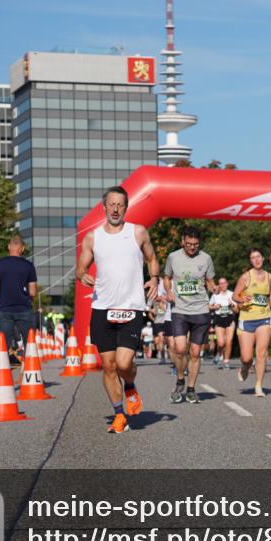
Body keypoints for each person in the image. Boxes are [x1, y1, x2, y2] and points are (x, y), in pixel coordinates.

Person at [76, 186, 159, 434]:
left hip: (131, 307)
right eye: (111, 204)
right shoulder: (93, 237)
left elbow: (152, 258)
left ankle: (130, 384)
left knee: (124, 364)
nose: (115, 209)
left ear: (125, 207)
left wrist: (154, 278)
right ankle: (119, 414)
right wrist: (82, 276)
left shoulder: (138, 232)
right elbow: (81, 267)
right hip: (102, 308)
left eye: (120, 205)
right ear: (104, 207)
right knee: (109, 366)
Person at [163, 225, 216, 403]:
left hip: (200, 310)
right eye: (189, 244)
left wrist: (213, 288)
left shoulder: (206, 258)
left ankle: (191, 389)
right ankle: (180, 378)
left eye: (195, 244)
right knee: (179, 349)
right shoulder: (173, 257)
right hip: (180, 310)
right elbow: (166, 277)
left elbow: (209, 280)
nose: (192, 247)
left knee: (194, 352)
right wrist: (169, 292)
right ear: (182, 242)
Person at [233, 248, 271, 397]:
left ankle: (259, 386)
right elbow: (235, 295)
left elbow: (270, 295)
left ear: (263, 258)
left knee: (261, 354)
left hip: (264, 318)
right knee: (247, 357)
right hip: (247, 319)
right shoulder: (245, 277)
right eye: (253, 258)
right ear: (250, 261)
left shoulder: (270, 277)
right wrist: (242, 299)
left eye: (258, 257)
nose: (256, 260)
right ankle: (244, 367)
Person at [0, 233, 37, 364]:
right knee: (29, 342)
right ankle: (30, 374)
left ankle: (1, 373)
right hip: (24, 309)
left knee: (3, 343)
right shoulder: (29, 266)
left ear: (9, 246)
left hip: (5, 309)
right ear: (22, 248)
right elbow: (32, 292)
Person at [208, 277, 237, 369]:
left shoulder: (232, 294)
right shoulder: (215, 296)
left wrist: (232, 305)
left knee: (229, 342)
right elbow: (208, 306)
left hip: (230, 319)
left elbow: (237, 310)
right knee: (221, 343)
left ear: (227, 284)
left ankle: (226, 361)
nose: (223, 285)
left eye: (224, 283)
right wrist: (214, 307)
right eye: (220, 283)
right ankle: (219, 353)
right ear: (218, 285)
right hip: (219, 319)